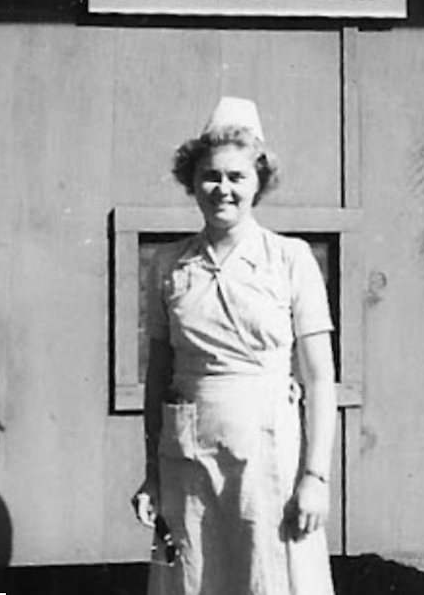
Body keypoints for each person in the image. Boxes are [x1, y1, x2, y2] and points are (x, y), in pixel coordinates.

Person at [132, 97, 337, 595]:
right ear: (192, 181)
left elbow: (319, 379)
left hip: (269, 455)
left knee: (269, 577)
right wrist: (152, 475)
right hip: (188, 458)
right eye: (210, 176)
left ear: (258, 182)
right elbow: (158, 376)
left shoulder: (289, 259)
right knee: (192, 577)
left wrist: (316, 477)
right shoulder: (169, 265)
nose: (222, 189)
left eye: (237, 177)